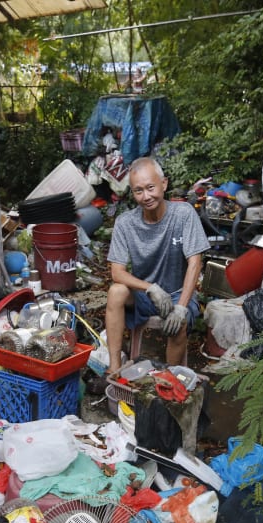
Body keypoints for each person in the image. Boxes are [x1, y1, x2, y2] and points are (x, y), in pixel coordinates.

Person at [105, 157, 210, 373]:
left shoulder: (183, 214)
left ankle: (169, 378)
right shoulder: (125, 222)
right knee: (116, 292)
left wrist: (181, 307)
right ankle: (114, 367)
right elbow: (117, 272)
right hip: (146, 295)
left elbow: (195, 263)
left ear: (164, 184)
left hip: (177, 294)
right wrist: (150, 288)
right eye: (138, 191)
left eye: (151, 188)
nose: (146, 196)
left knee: (178, 324)